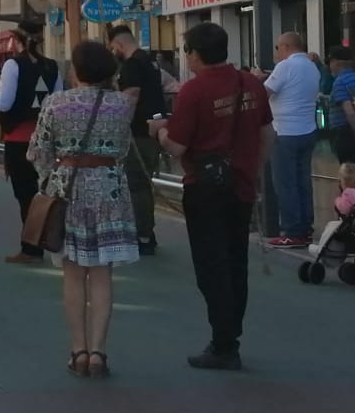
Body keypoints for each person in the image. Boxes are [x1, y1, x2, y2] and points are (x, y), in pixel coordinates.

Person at [149, 22, 273, 371]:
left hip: (205, 188)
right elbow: (267, 133)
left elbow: (177, 146)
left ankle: (223, 342)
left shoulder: (193, 91)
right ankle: (231, 333)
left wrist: (159, 132)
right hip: (241, 184)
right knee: (236, 262)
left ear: (195, 54)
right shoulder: (251, 83)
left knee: (211, 266)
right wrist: (253, 169)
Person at [29, 40, 139, 378]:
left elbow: (38, 151)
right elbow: (121, 151)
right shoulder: (123, 104)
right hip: (109, 190)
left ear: (75, 70)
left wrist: (52, 177)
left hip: (69, 189)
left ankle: (77, 350)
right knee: (103, 275)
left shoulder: (55, 103)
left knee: (73, 274)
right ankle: (98, 353)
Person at [0, 20, 62, 264]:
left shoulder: (14, 65)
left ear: (19, 40)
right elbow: (54, 103)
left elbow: (4, 103)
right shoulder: (52, 66)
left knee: (26, 196)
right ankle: (49, 242)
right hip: (46, 139)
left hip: (19, 140)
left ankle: (31, 249)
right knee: (45, 193)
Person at [108, 25, 167, 256]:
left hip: (138, 132)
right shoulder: (149, 61)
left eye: (114, 48)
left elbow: (131, 97)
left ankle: (142, 234)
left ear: (120, 45)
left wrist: (120, 125)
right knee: (142, 183)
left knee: (136, 184)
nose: (114, 52)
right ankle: (144, 232)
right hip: (152, 129)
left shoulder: (132, 65)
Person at [263, 31, 317, 247]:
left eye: (277, 48)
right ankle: (305, 228)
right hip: (307, 129)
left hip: (285, 131)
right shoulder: (311, 67)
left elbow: (264, 92)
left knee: (285, 183)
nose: (276, 53)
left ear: (286, 46)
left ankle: (292, 231)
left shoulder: (285, 66)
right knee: (303, 182)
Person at [326, 46, 355, 166]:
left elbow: (350, 113)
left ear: (336, 62)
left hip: (346, 135)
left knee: (348, 173)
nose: (329, 66)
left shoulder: (340, 82)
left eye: (330, 62)